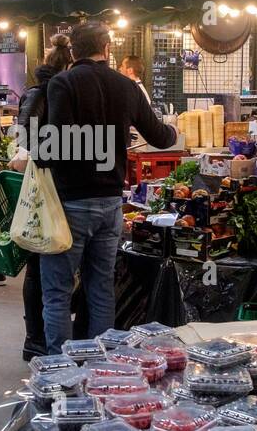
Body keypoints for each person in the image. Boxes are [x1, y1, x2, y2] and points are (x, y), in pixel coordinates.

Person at [35, 22, 177, 355]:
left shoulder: (63, 83)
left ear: (73, 51)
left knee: (56, 291)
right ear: (107, 48)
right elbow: (159, 136)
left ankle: (62, 367)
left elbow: (58, 142)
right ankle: (102, 364)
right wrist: (173, 130)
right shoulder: (126, 86)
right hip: (111, 202)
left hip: (70, 203)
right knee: (101, 287)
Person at [15, 34, 74, 360]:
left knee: (42, 262)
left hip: (54, 180)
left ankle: (37, 338)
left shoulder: (52, 90)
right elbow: (25, 134)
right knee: (39, 260)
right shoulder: (44, 92)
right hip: (43, 183)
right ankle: (35, 340)